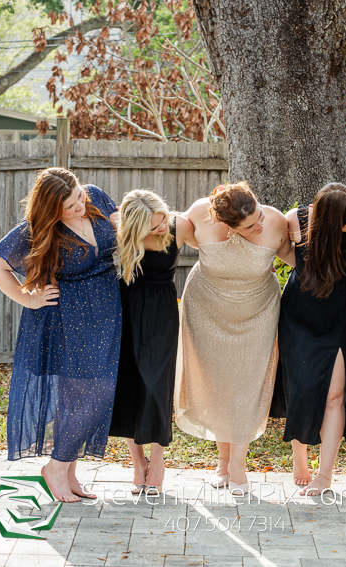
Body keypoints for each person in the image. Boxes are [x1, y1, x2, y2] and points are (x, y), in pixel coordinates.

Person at [0, 168, 121, 503]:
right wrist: (28, 298)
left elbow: (125, 223)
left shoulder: (95, 196)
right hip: (67, 319)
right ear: (51, 210)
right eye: (70, 207)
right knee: (90, 394)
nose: (79, 206)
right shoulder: (37, 228)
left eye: (78, 198)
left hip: (106, 313)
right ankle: (56, 468)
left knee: (89, 395)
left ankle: (68, 473)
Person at [174, 182, 293, 495]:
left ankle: (238, 468)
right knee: (217, 387)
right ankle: (222, 463)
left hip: (257, 315)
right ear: (229, 227)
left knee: (246, 387)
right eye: (252, 225)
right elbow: (166, 239)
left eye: (259, 214)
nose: (261, 223)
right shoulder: (198, 215)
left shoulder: (276, 221)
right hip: (207, 311)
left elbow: (299, 260)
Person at [276, 183, 346, 495]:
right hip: (299, 318)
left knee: (334, 395)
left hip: (339, 319)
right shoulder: (297, 220)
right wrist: (308, 269)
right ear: (330, 219)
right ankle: (299, 457)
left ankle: (325, 475)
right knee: (301, 389)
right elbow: (284, 251)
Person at [109, 189, 195, 496]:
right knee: (130, 385)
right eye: (154, 225)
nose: (162, 228)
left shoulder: (179, 226)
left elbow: (211, 242)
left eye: (162, 220)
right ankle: (137, 463)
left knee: (157, 385)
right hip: (127, 309)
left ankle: (158, 462)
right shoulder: (118, 229)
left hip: (162, 312)